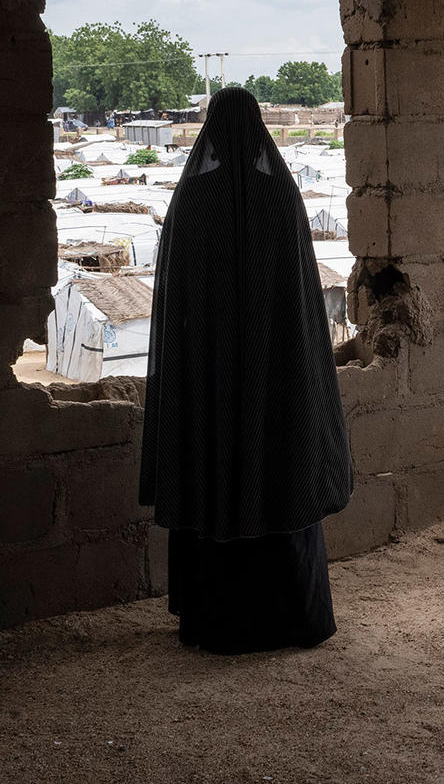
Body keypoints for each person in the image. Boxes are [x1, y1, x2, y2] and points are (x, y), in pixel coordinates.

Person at [139, 87, 353, 654]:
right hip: (276, 386)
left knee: (217, 475)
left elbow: (177, 311)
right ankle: (291, 617)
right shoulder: (280, 197)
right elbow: (304, 311)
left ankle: (218, 620)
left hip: (208, 387)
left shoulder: (191, 203)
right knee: (280, 474)